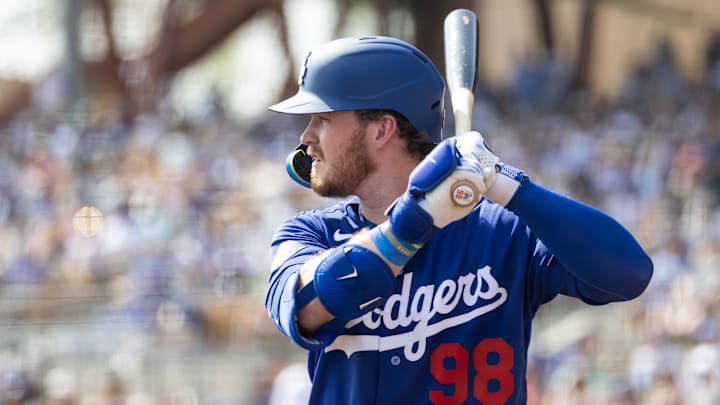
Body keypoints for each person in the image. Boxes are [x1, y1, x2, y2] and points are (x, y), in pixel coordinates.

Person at [264, 35, 653, 405]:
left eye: (323, 120)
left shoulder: (501, 230)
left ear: (382, 129)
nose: (306, 136)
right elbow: (305, 305)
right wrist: (414, 222)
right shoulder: (310, 233)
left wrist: (508, 184)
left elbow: (628, 274)